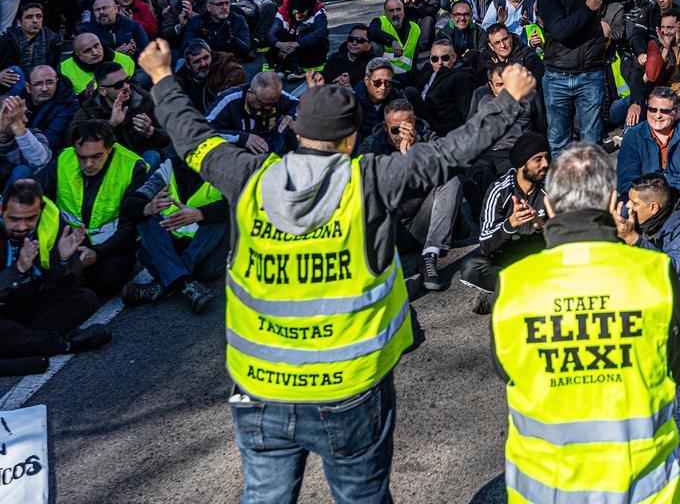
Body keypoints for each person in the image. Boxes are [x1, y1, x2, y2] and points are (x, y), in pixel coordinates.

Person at [135, 36, 538, 503]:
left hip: (259, 387)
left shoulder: (249, 176)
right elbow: (452, 153)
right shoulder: (368, 180)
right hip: (348, 391)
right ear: (350, 140)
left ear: (301, 133)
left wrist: (163, 77)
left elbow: (192, 139)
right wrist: (508, 99)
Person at [490, 142, 680, 504]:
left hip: (544, 490)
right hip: (642, 488)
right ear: (613, 201)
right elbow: (676, 368)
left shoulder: (515, 284)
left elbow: (507, 370)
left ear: (549, 206)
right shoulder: (655, 273)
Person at [539, 0, 675, 153]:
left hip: (591, 74)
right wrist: (587, 8)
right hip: (559, 76)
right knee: (559, 141)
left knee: (592, 141)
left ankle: (592, 185)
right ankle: (561, 186)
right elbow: (559, 31)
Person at [360, 98, 471, 293]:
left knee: (450, 179)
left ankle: (430, 256)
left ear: (415, 123)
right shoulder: (371, 146)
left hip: (422, 222)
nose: (401, 135)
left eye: (406, 128)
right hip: (390, 230)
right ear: (385, 127)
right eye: (395, 130)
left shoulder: (428, 138)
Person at [0, 179, 109, 375]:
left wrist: (66, 260)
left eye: (30, 219)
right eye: (14, 219)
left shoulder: (51, 220)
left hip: (29, 303)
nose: (21, 226)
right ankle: (64, 344)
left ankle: (25, 342)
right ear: (1, 208)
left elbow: (64, 283)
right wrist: (18, 270)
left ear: (40, 211)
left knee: (84, 298)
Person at [43, 119, 149, 297]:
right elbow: (42, 197)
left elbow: (130, 225)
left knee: (107, 281)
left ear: (110, 148)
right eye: (82, 157)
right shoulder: (63, 159)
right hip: (70, 240)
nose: (88, 164)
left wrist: (98, 252)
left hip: (112, 243)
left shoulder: (132, 167)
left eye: (96, 156)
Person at [121, 154, 226, 312]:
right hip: (172, 250)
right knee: (143, 215)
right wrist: (147, 207)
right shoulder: (170, 167)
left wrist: (200, 214)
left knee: (226, 216)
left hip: (207, 255)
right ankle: (185, 283)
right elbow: (129, 206)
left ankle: (167, 283)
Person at [460, 132, 550, 313]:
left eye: (547, 157)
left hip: (542, 262)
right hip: (507, 263)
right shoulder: (499, 191)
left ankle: (504, 298)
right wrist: (510, 224)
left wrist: (542, 226)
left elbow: (569, 237)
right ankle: (532, 294)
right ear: (521, 163)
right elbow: (485, 244)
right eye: (538, 159)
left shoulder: (552, 189)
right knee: (471, 269)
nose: (545, 164)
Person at [616, 87, 680, 195]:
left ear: (677, 112)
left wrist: (673, 203)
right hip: (643, 199)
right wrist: (646, 203)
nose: (657, 115)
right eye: (652, 109)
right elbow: (627, 178)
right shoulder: (633, 136)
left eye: (664, 111)